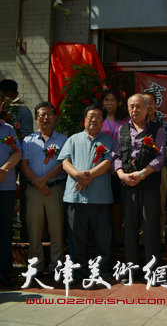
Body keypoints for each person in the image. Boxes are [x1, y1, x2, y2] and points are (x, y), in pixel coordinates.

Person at [58, 104, 113, 280]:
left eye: (98, 117)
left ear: (103, 121)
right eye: (91, 116)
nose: (94, 120)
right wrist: (77, 175)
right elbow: (64, 162)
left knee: (102, 238)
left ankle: (102, 271)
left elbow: (107, 163)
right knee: (76, 238)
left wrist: (88, 176)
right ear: (84, 119)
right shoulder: (73, 139)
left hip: (100, 197)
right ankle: (77, 272)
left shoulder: (108, 140)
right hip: (75, 197)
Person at [113, 94, 165, 276]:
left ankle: (153, 271)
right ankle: (131, 270)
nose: (134, 110)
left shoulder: (157, 129)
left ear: (147, 108)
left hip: (149, 184)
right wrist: (122, 175)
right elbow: (116, 156)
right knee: (130, 229)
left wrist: (142, 174)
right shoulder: (121, 130)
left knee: (151, 228)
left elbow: (160, 156)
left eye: (138, 106)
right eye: (131, 107)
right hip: (128, 185)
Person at [20, 102, 67, 274]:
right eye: (42, 115)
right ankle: (35, 266)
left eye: (49, 115)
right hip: (34, 191)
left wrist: (45, 180)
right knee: (34, 230)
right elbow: (24, 165)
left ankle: (57, 266)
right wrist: (38, 183)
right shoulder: (28, 140)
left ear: (55, 117)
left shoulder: (63, 139)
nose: (46, 118)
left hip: (55, 189)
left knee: (57, 230)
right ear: (36, 118)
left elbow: (63, 164)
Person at [143, 91, 167, 245]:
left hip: (159, 169)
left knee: (159, 205)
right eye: (145, 102)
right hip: (140, 170)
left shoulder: (164, 124)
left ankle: (159, 238)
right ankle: (142, 238)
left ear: (155, 105)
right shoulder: (136, 124)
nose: (148, 106)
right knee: (142, 207)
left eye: (151, 103)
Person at [101, 89, 129, 246]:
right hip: (102, 167)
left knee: (118, 204)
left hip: (121, 167)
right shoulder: (99, 118)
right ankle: (106, 237)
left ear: (118, 102)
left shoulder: (125, 119)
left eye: (112, 100)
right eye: (106, 100)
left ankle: (119, 236)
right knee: (105, 205)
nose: (109, 103)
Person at [0, 121, 21, 286]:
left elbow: (17, 153)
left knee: (5, 228)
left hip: (5, 185)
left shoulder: (8, 129)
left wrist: (4, 170)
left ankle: (5, 270)